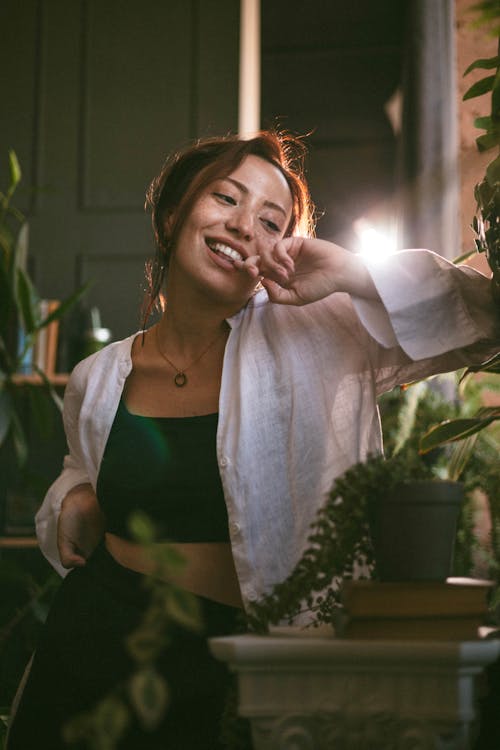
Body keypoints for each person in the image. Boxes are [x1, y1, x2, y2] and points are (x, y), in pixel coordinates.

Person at [7, 130, 500, 749]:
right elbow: (83, 462)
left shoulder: (319, 332)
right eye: (226, 199)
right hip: (99, 647)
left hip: (261, 664)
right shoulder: (97, 376)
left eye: (271, 221)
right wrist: (76, 494)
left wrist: (349, 271)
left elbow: (485, 316)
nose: (245, 227)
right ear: (171, 214)